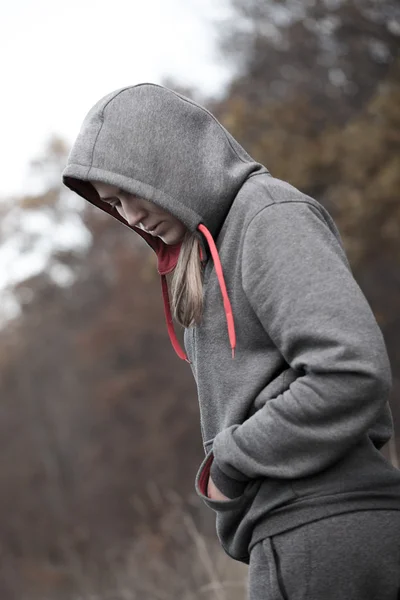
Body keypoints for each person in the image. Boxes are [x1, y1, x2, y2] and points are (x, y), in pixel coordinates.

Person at [62, 83, 400, 599]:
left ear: (163, 160)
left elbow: (350, 371)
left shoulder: (266, 215)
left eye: (127, 191)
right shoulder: (206, 257)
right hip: (295, 536)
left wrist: (232, 461)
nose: (128, 216)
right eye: (112, 204)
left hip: (322, 531)